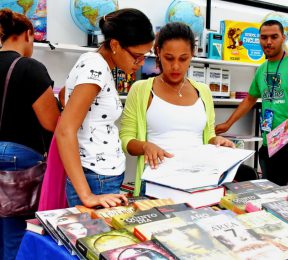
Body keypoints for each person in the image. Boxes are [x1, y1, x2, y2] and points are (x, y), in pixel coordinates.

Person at [55, 9, 155, 208]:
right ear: (115, 45)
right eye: (137, 56)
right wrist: (87, 196)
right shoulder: (97, 69)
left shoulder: (93, 63)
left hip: (101, 176)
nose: (141, 63)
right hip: (96, 180)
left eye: (145, 56)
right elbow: (65, 131)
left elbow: (64, 95)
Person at [120, 22, 234, 196]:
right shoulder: (141, 89)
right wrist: (145, 147)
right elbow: (125, 139)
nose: (175, 66)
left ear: (192, 55)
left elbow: (208, 135)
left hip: (199, 183)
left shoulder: (203, 91)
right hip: (156, 184)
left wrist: (217, 141)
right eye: (169, 58)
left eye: (183, 58)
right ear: (158, 52)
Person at [216, 20, 288, 189]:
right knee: (271, 194)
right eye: (264, 37)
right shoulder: (262, 69)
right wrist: (228, 124)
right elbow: (250, 99)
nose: (268, 42)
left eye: (274, 37)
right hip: (272, 143)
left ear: (283, 38)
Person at [0, 8, 60, 260]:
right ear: (28, 33)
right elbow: (50, 122)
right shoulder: (29, 68)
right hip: (18, 159)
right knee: (16, 233)